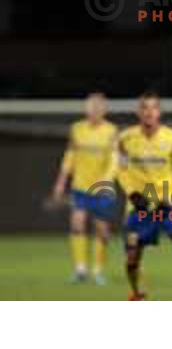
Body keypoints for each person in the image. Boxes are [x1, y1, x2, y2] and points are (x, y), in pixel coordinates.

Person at [118, 92, 172, 300]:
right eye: (144, 108)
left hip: (167, 205)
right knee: (131, 258)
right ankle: (137, 293)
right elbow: (120, 169)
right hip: (140, 207)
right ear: (139, 112)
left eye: (153, 108)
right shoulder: (126, 138)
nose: (149, 112)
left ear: (159, 112)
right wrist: (132, 194)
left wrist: (171, 195)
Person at [52, 92, 118, 285]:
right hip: (80, 187)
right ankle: (80, 269)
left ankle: (97, 271)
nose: (95, 110)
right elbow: (69, 157)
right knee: (77, 223)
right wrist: (60, 182)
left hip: (102, 189)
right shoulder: (77, 129)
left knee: (102, 230)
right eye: (91, 107)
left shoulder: (111, 131)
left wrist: (106, 181)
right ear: (86, 109)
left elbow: (114, 160)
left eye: (99, 107)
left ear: (104, 110)